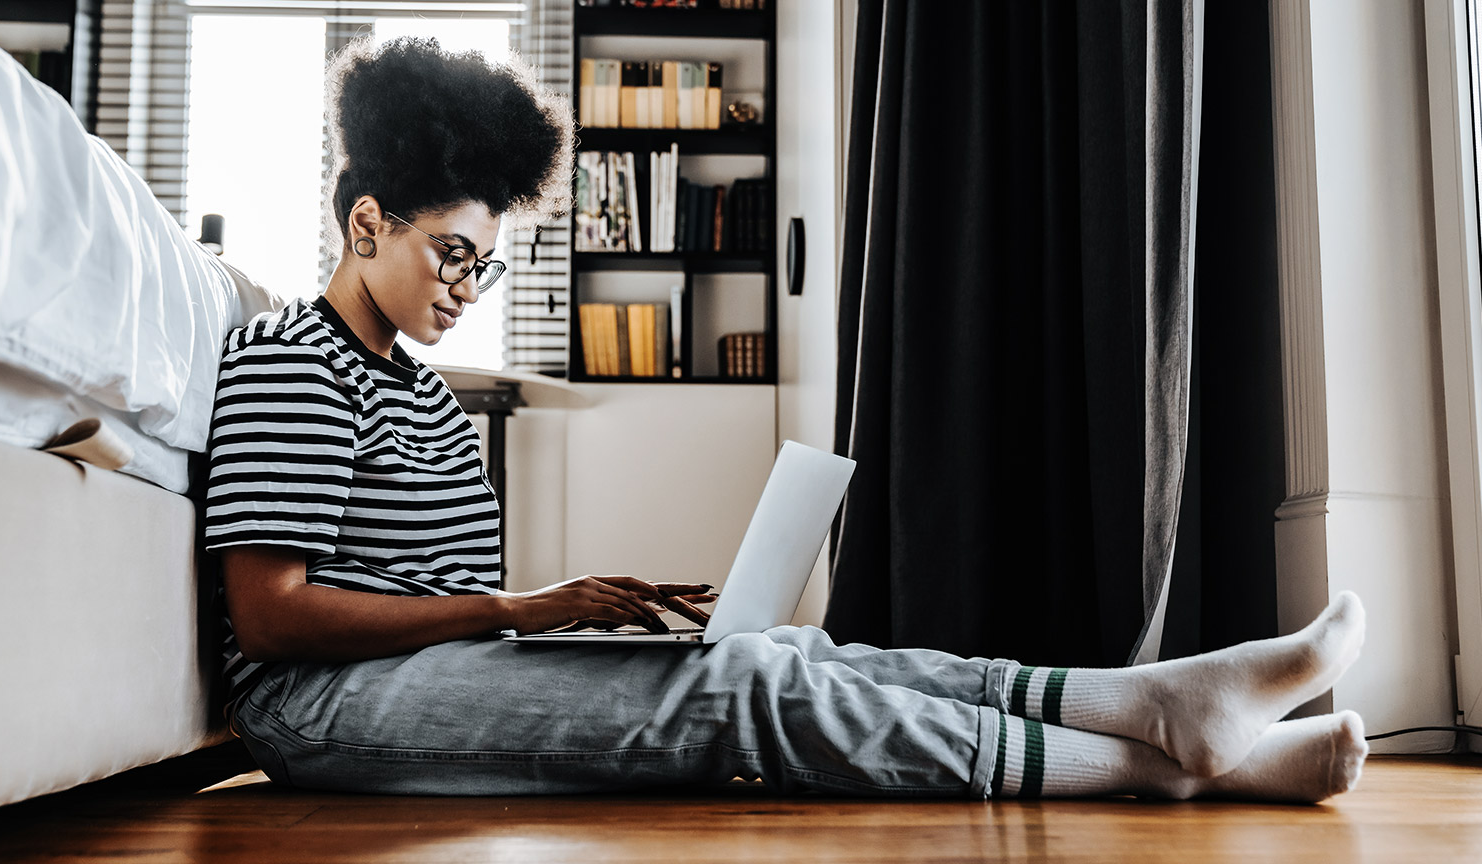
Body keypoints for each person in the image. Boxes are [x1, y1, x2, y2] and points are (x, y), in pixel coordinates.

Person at [204, 36, 1369, 803]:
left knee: (784, 650)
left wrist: (547, 626)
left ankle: (1158, 707)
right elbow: (272, 619)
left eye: (486, 267)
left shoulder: (428, 400)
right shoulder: (288, 359)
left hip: (424, 675)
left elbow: (432, 616)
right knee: (741, 696)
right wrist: (522, 610)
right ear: (365, 225)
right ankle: (1171, 769)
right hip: (317, 715)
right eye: (450, 255)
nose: (464, 286)